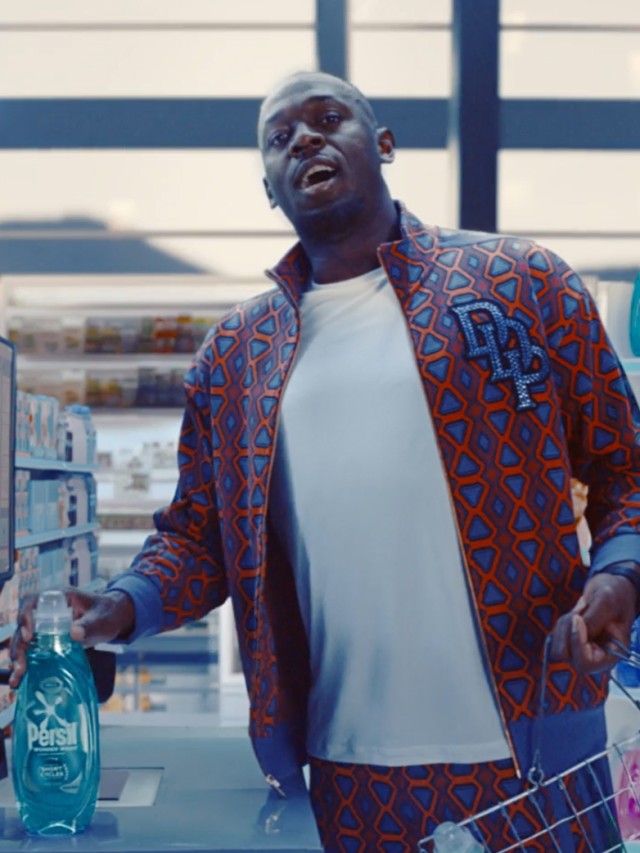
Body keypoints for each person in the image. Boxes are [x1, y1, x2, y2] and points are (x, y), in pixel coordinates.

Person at [10, 70, 640, 852]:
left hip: (540, 746)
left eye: (328, 118)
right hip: (349, 774)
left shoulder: (521, 284)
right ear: (269, 189)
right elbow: (199, 537)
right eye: (280, 137)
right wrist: (118, 606)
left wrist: (620, 573)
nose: (304, 138)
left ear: (384, 143)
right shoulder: (236, 356)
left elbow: (626, 467)